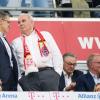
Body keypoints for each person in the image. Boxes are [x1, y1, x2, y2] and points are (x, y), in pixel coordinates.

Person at [11, 13, 63, 91]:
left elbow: (56, 54)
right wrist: (21, 79)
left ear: (32, 22)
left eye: (23, 21)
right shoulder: (16, 42)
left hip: (48, 75)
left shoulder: (45, 35)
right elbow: (16, 64)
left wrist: (57, 74)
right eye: (18, 22)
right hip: (28, 78)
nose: (21, 24)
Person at [0, 11, 18, 91]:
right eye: (8, 22)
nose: (10, 26)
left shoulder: (4, 39)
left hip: (11, 82)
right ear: (1, 21)